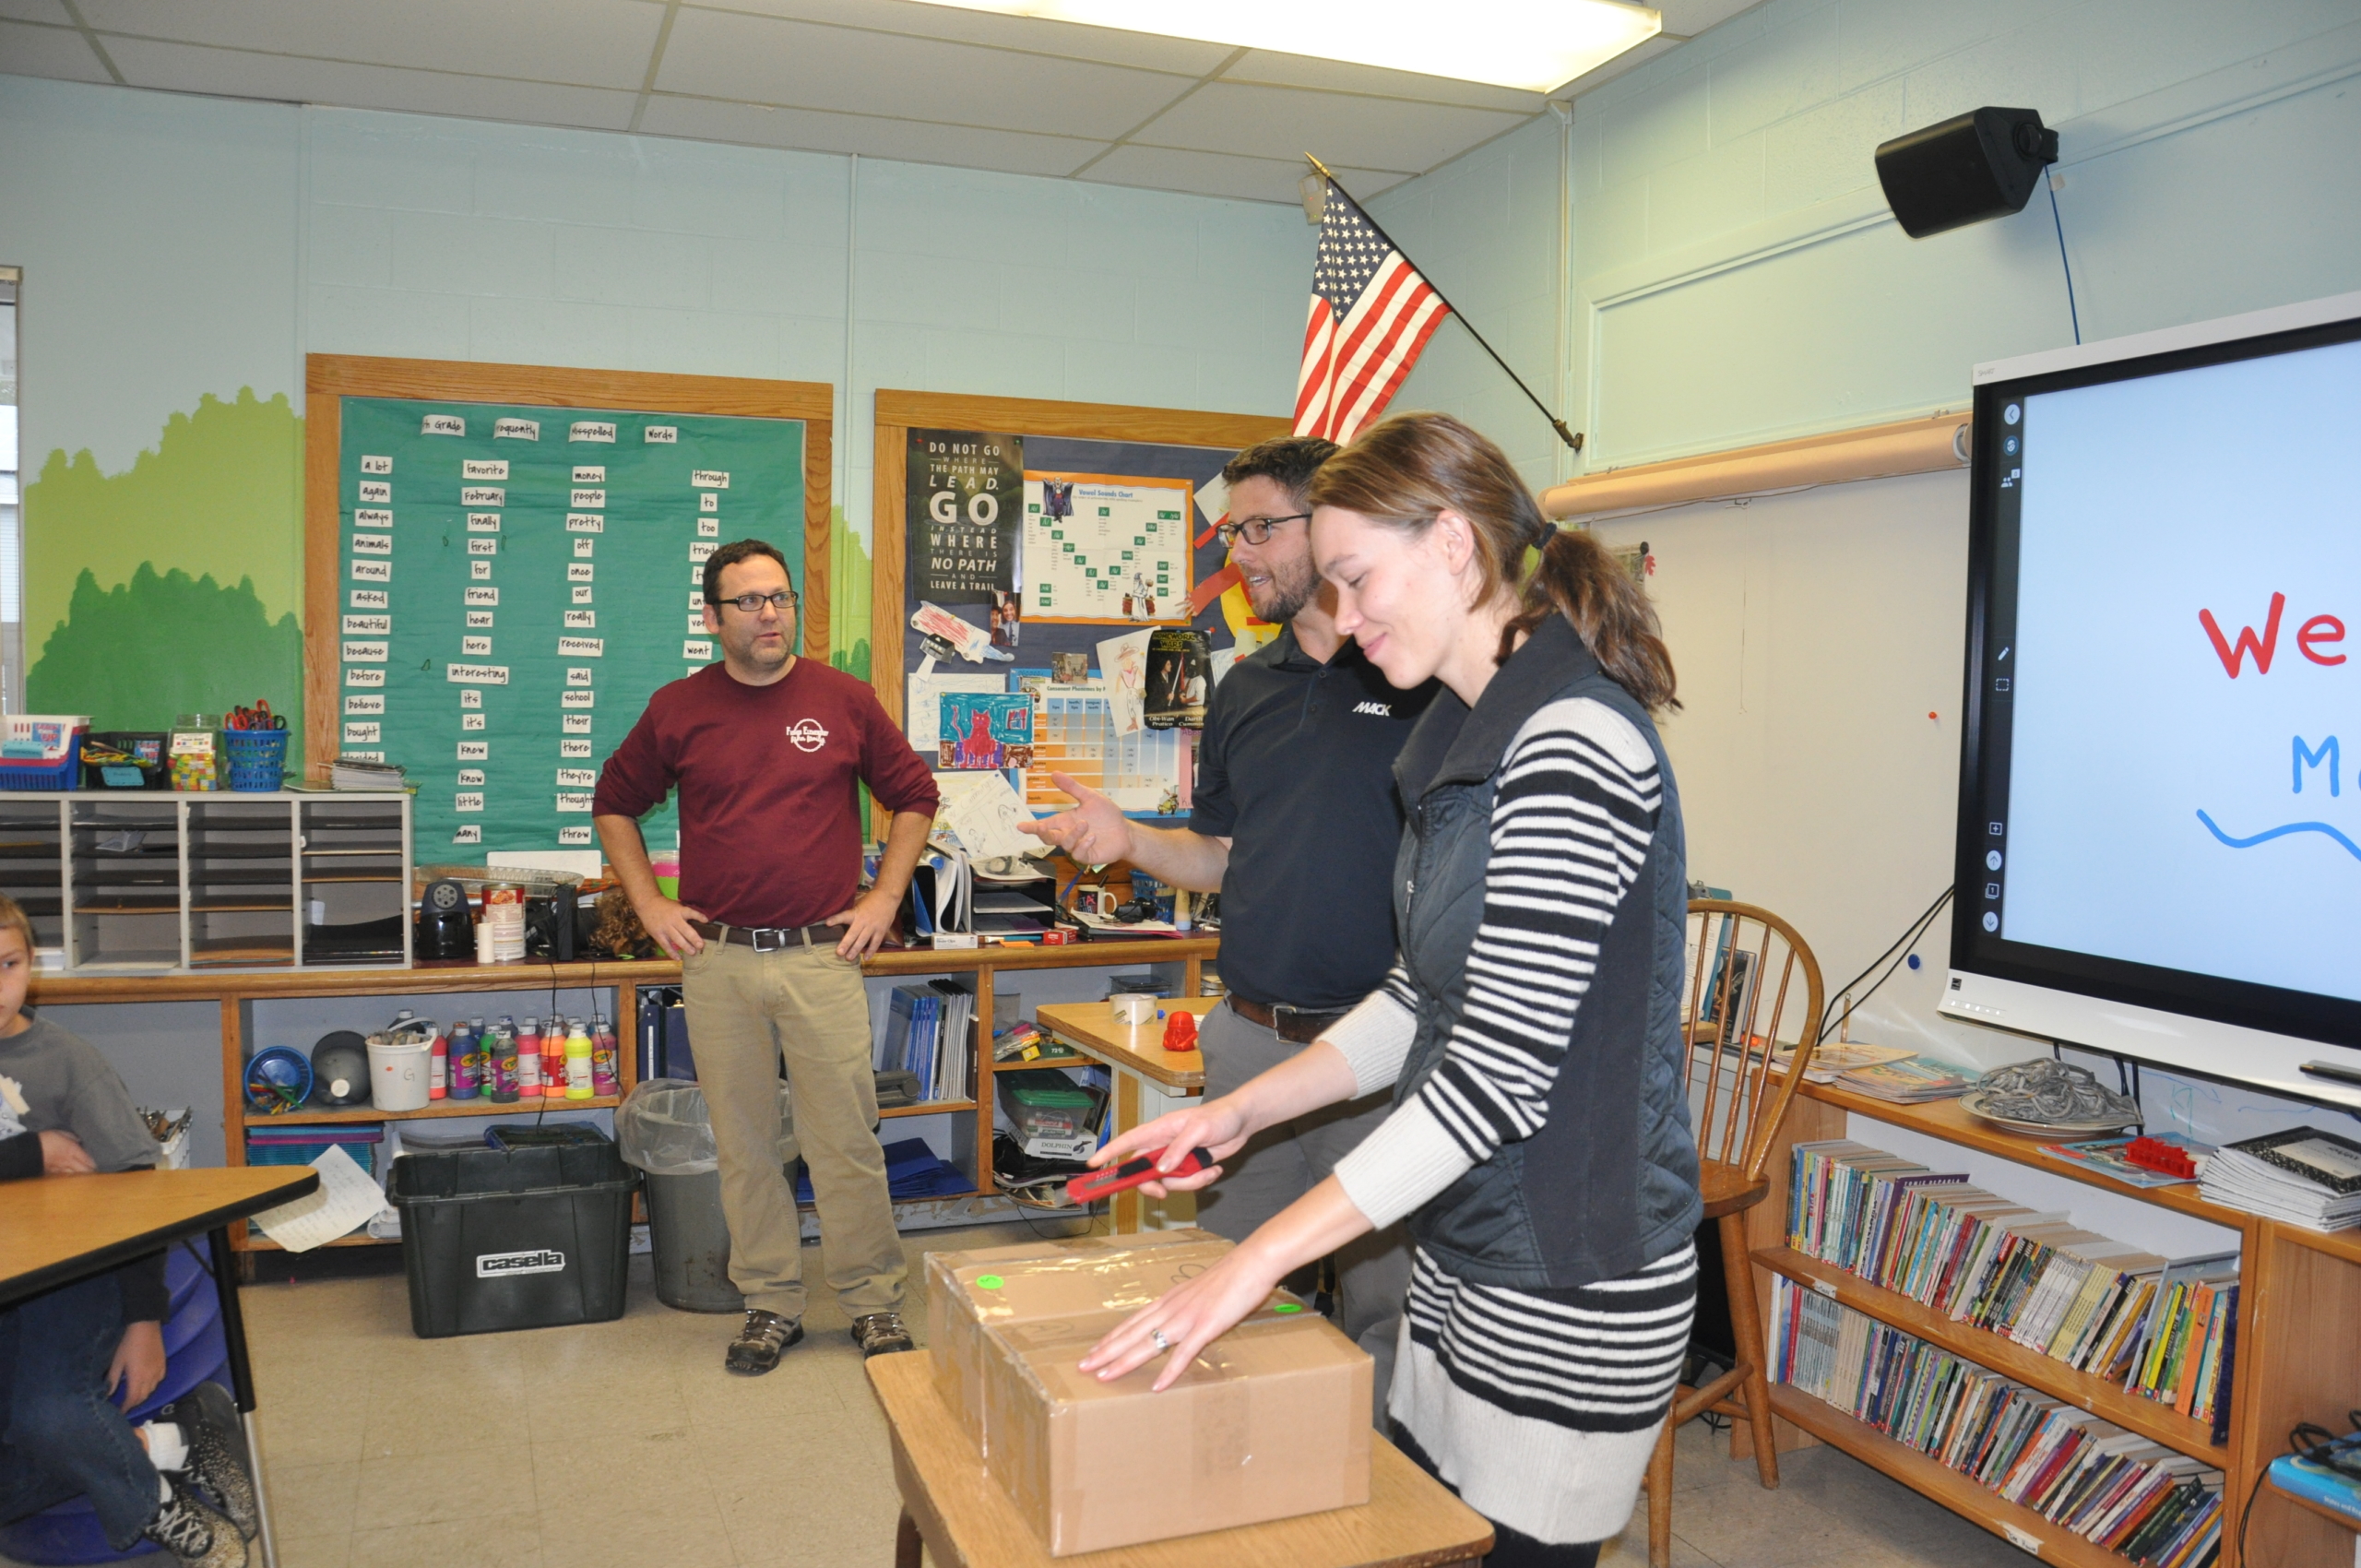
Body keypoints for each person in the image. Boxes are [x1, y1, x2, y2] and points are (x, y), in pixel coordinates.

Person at [1076, 413, 1703, 1568]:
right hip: (1468, 1240)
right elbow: (1418, 997)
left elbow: (1494, 1077)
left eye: (1358, 577)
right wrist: (1242, 1109)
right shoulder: (1462, 730)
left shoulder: (1571, 742)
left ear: (1453, 543)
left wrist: (1258, 1256)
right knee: (1423, 1530)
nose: (1346, 613)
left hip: (1569, 1263)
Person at [1021, 435, 1435, 1415]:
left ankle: (1376, 1490)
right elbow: (1219, 852)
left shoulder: (1422, 678)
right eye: (1230, 533)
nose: (1236, 554)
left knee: (1393, 1317)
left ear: (1329, 526)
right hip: (1249, 1041)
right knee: (1223, 1291)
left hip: (1378, 1054)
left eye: (1257, 530)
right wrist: (1129, 839)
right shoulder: (1247, 685)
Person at [595, 540, 940, 1372]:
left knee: (845, 1143)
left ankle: (871, 1302)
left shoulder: (843, 699)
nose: (769, 613)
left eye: (780, 597)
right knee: (745, 1148)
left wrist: (884, 899)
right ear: (712, 617)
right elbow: (614, 802)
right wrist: (649, 904)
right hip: (719, 962)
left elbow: (915, 796)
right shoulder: (679, 708)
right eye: (748, 601)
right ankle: (771, 1304)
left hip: (822, 956)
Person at [0, 896, 258, 1568]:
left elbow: (140, 1191)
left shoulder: (67, 1062)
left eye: (8, 965)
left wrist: (144, 1319)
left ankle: (152, 1506)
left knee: (47, 1414)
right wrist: (29, 1154)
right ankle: (169, 1443)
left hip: (71, 1277)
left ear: (31, 966)